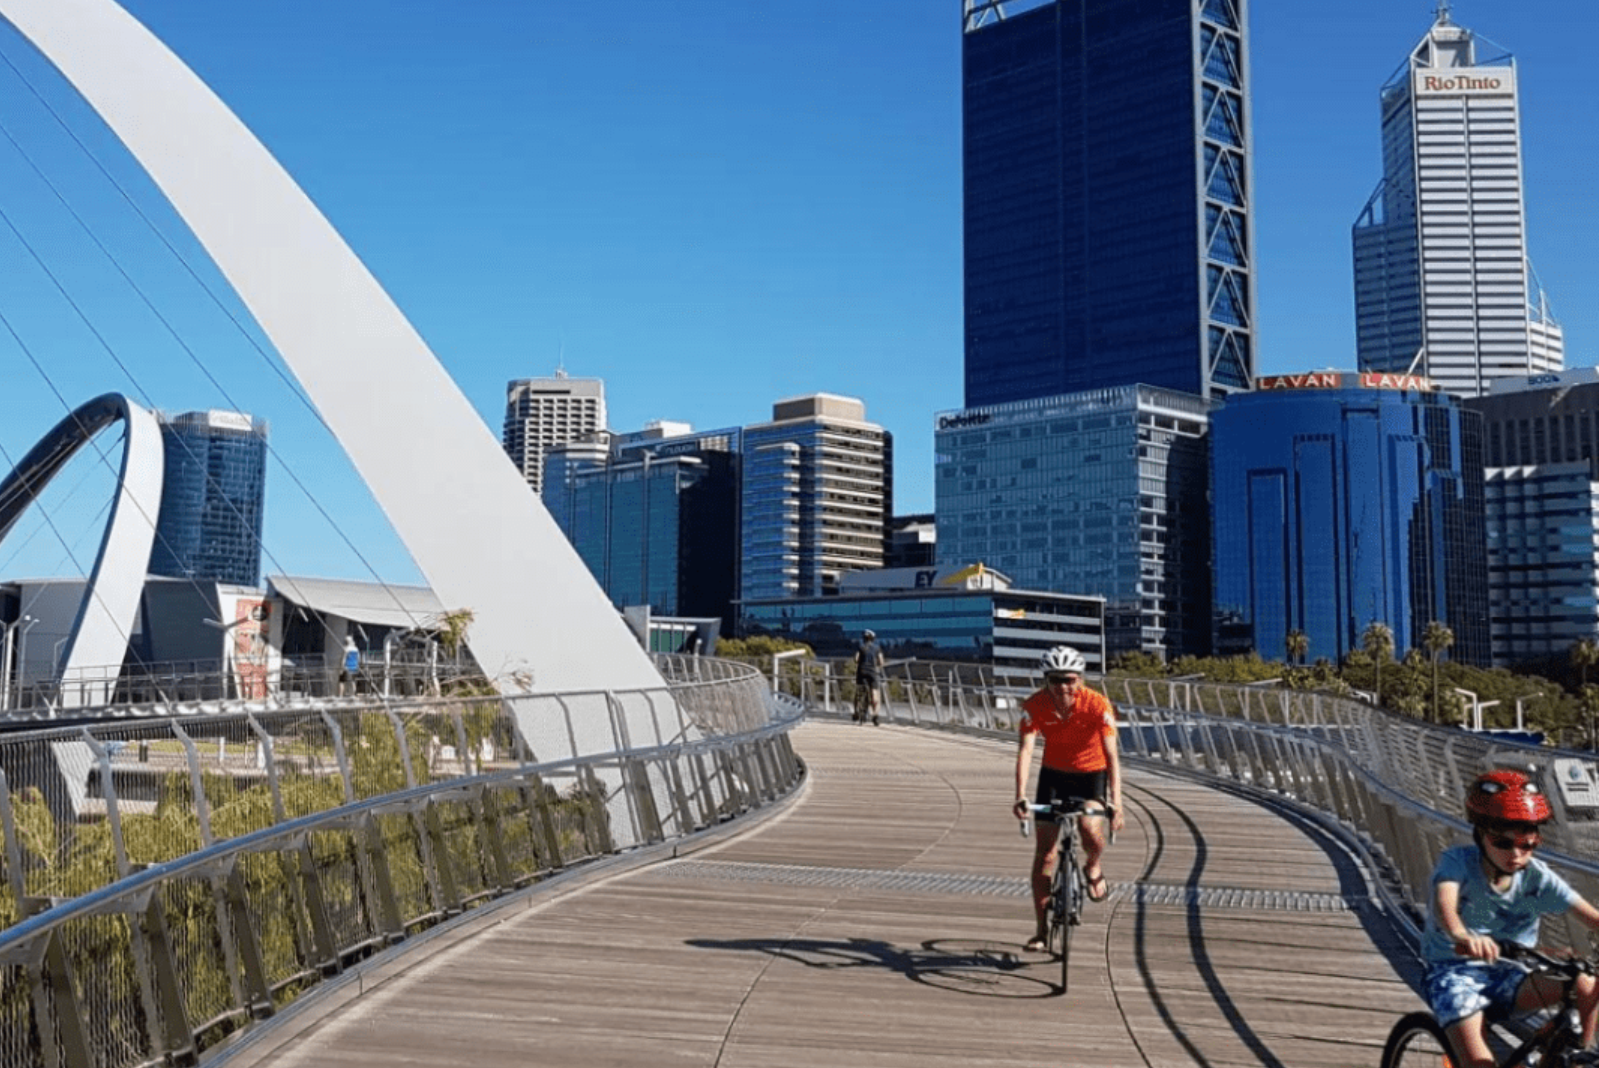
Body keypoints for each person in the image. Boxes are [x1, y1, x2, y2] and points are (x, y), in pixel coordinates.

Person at [1420, 769, 1599, 1068]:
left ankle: (1578, 1054)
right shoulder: (1457, 863)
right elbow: (1444, 905)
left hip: (1513, 974)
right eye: (1502, 843)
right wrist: (1461, 935)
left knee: (1585, 982)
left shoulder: (1537, 878)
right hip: (1454, 975)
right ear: (1480, 835)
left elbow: (1589, 916)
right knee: (1480, 1063)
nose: (1515, 854)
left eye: (1526, 845)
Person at [1012, 644, 1124, 952]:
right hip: (1053, 777)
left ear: (1081, 680)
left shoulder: (1097, 704)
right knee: (1045, 856)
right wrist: (1020, 795)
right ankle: (1041, 931)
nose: (1063, 687)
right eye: (1056, 680)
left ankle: (1093, 866)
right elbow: (1026, 750)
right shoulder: (1035, 705)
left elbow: (1112, 757)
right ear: (1046, 680)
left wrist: (1117, 803)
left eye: (1070, 680)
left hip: (1091, 776)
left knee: (1089, 827)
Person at [852, 629, 885, 725]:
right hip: (873, 673)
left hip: (861, 672)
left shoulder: (861, 647)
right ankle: (875, 716)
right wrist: (877, 665)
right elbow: (881, 662)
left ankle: (857, 712)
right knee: (875, 694)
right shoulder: (877, 648)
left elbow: (856, 659)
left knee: (859, 692)